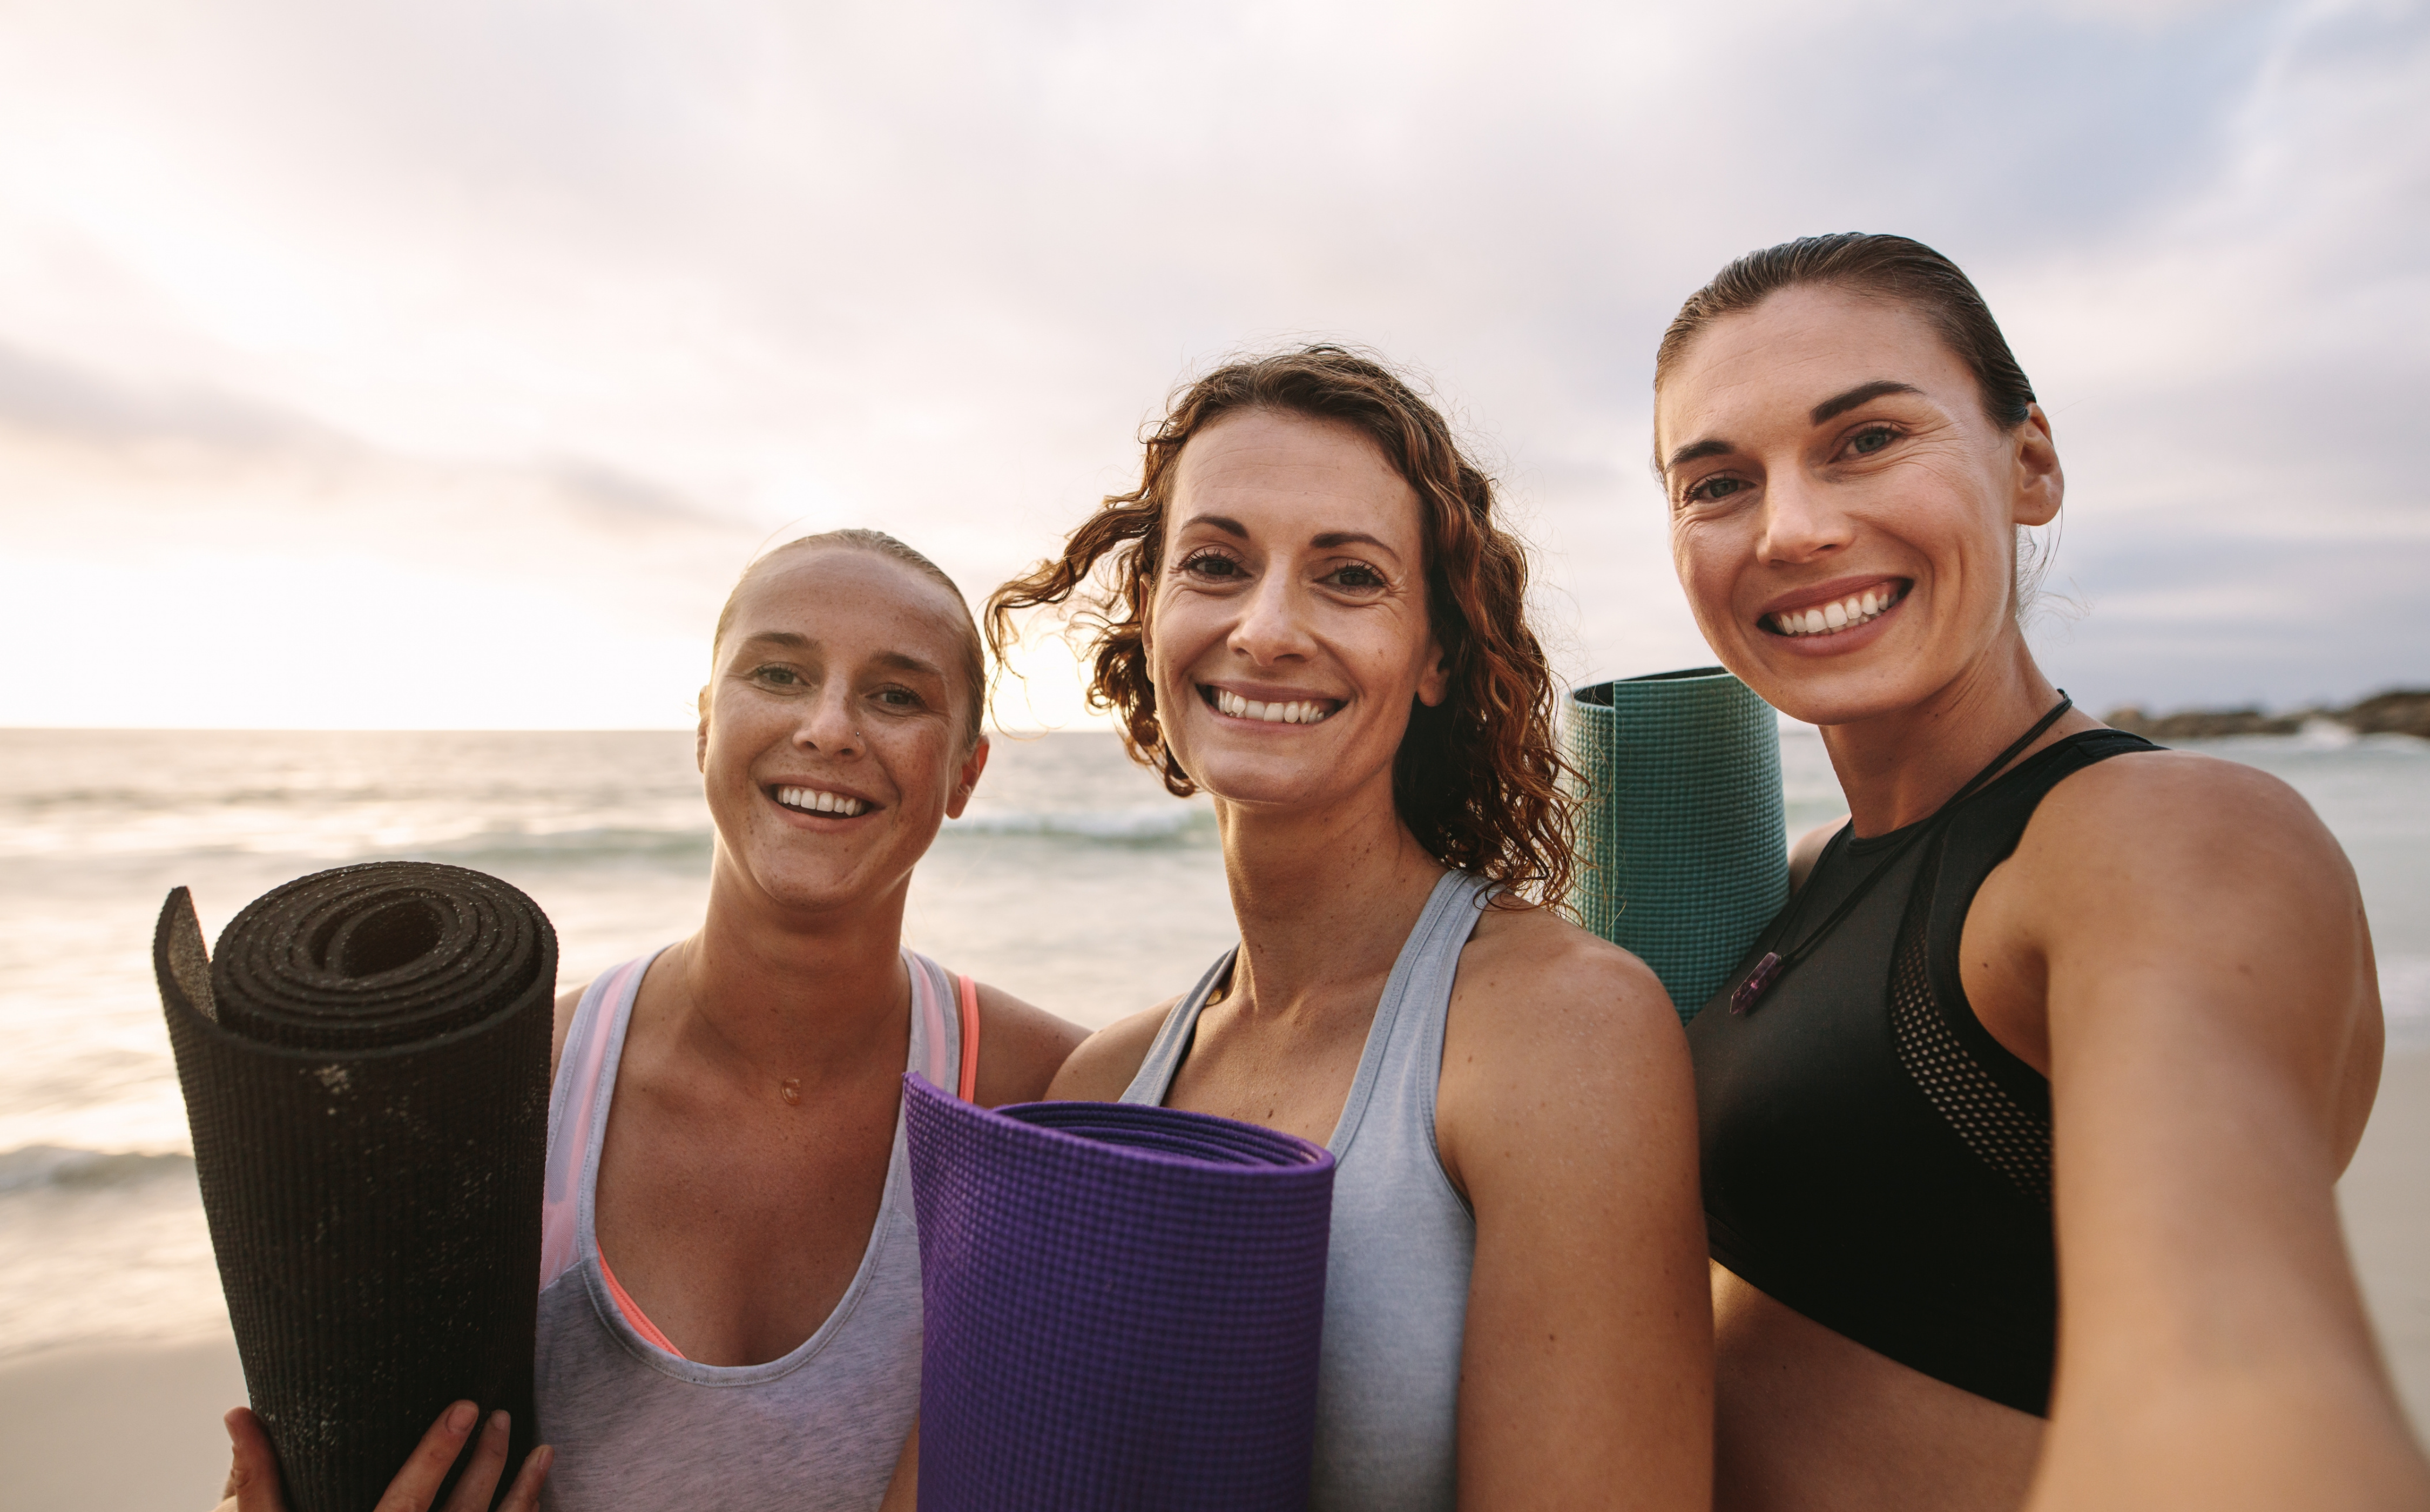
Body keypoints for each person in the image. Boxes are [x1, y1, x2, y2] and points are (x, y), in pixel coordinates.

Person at [1655, 233, 2430, 1510]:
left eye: (1865, 440)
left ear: (2030, 463)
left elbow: (2227, 1378)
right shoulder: (1791, 877)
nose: (1792, 528)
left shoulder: (2162, 835)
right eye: (1719, 482)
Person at [217, 528, 1084, 1512]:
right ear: (707, 727)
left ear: (965, 773)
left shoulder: (1047, 1096)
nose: (830, 729)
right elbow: (320, 1470)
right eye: (780, 673)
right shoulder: (514, 1088)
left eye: (896, 695)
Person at [992, 346, 1712, 1510]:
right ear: (1151, 609)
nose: (1268, 629)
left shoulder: (1556, 1026)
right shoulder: (1111, 1077)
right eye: (1217, 564)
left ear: (1435, 655)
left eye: (1350, 577)